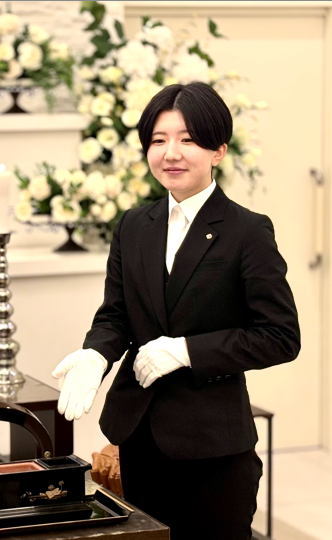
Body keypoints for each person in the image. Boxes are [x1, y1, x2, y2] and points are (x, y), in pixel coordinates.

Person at [52, 82, 300, 539]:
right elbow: (115, 315)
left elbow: (280, 336)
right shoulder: (134, 225)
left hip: (213, 447)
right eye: (158, 140)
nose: (171, 153)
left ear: (218, 150)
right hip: (139, 437)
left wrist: (187, 351)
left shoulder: (247, 231)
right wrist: (96, 354)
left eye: (187, 139)